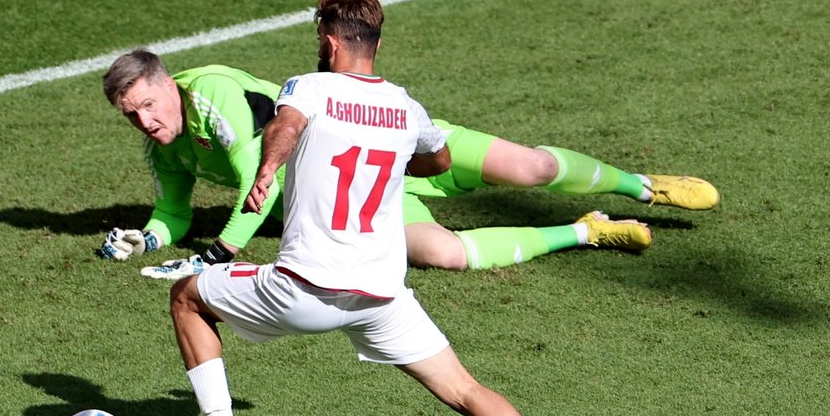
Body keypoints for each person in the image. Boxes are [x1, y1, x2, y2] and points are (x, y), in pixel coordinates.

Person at [164, 0, 634, 416]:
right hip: (382, 297)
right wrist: (393, 167)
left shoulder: (309, 87)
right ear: (376, 43)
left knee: (187, 296)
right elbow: (439, 160)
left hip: (306, 287)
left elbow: (285, 126)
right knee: (464, 388)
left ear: (330, 39)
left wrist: (269, 169)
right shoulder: (406, 107)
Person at [98, 51, 718, 276]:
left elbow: (263, 175)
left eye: (149, 104)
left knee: (530, 168)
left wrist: (220, 253)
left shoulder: (211, 96)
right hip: (360, 203)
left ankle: (642, 185)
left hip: (396, 142)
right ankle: (586, 230)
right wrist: (145, 237)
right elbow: (173, 211)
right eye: (132, 115)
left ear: (166, 83)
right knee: (446, 254)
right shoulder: (163, 144)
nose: (146, 121)